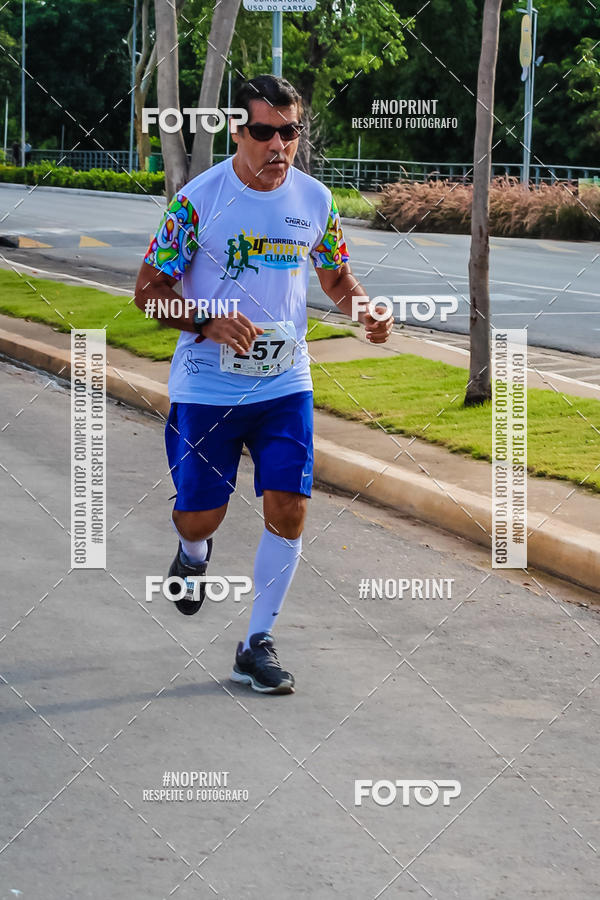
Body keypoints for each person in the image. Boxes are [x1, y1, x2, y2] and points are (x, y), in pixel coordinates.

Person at [134, 74, 393, 695]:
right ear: (237, 130)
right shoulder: (197, 202)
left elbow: (336, 280)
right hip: (207, 389)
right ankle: (192, 555)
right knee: (201, 515)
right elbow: (147, 294)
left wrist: (365, 311)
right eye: (264, 132)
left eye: (290, 132)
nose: (279, 144)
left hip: (284, 384)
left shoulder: (316, 201)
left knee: (290, 509)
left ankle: (256, 643)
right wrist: (206, 317)